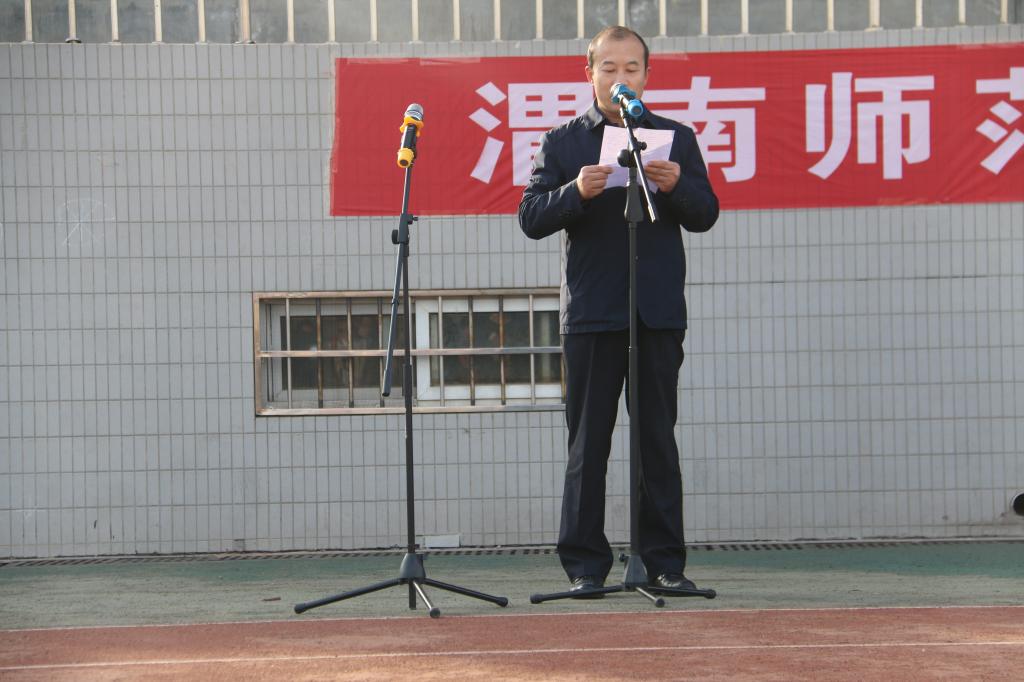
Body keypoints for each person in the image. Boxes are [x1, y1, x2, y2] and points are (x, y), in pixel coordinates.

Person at [518, 26, 719, 596]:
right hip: (592, 313)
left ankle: (664, 564)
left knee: (657, 441)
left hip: (656, 312)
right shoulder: (563, 143)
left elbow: (705, 213)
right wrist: (575, 193)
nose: (620, 78)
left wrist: (677, 187)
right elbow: (530, 216)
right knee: (589, 443)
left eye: (631, 68)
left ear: (647, 76)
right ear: (589, 74)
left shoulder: (675, 139)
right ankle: (585, 566)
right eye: (609, 68)